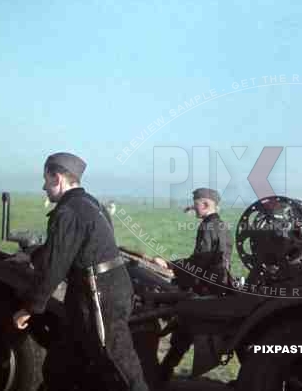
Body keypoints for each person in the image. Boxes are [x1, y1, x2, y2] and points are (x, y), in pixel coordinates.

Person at [12, 152, 149, 391]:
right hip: (90, 296)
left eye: (45, 179)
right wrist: (32, 254)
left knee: (121, 369)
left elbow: (54, 268)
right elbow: (64, 249)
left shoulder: (69, 212)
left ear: (57, 178)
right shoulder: (90, 203)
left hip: (99, 296)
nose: (44, 187)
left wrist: (29, 308)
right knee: (60, 368)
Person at [158, 187, 233, 383]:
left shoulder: (207, 226)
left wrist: (170, 264)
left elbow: (200, 261)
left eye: (196, 204)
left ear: (206, 204)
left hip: (206, 291)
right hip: (219, 288)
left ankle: (160, 377)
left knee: (183, 334)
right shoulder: (223, 226)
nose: (193, 208)